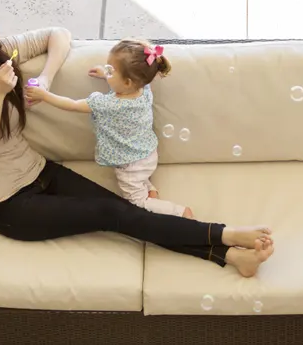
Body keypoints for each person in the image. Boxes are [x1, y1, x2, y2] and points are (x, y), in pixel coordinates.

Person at [0, 1, 274, 277]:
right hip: (7, 205)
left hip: (40, 172)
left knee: (127, 213)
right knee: (112, 213)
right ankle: (225, 235)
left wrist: (46, 79)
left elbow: (58, 34)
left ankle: (229, 257)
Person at [26, 39, 191, 218]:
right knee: (140, 179)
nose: (107, 70)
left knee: (137, 203)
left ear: (127, 82)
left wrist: (44, 95)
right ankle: (149, 188)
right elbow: (128, 81)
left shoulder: (107, 104)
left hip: (131, 166)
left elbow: (73, 105)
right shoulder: (144, 89)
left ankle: (180, 212)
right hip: (149, 153)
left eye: (111, 70)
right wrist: (106, 74)